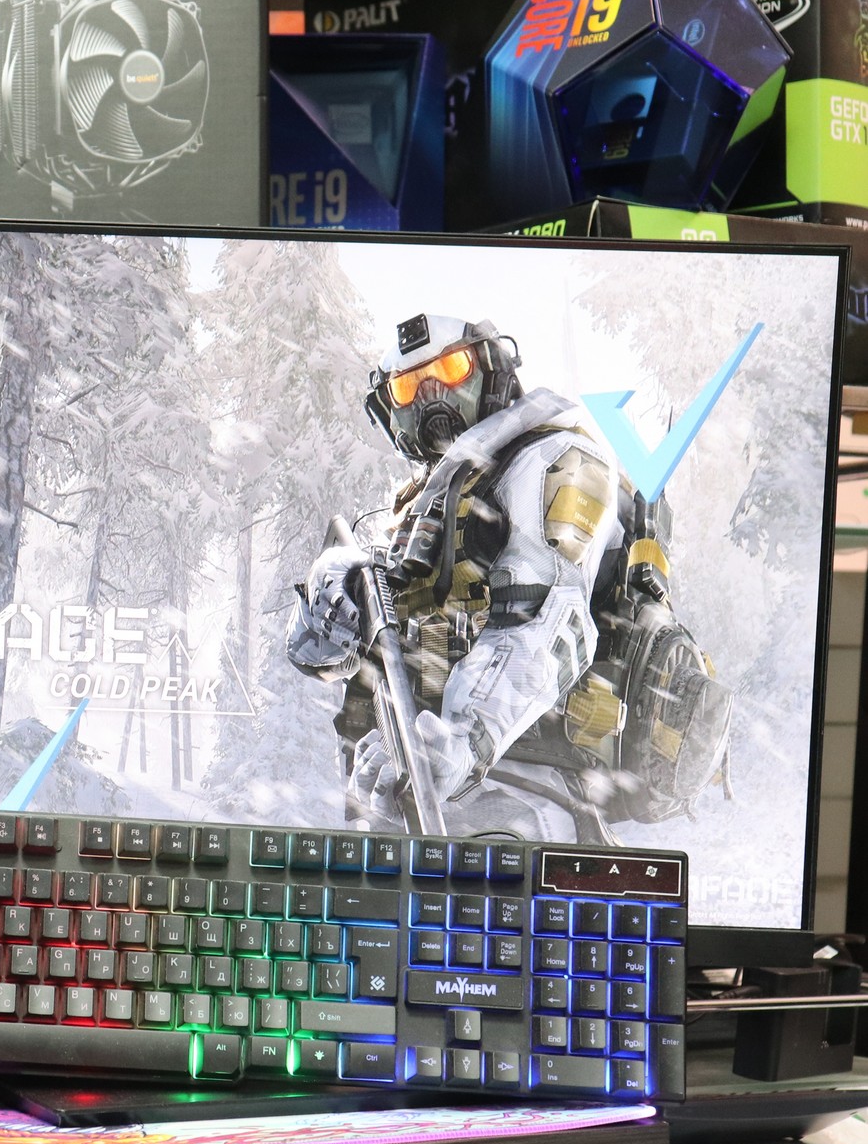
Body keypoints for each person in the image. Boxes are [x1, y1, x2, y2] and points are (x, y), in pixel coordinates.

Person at [285, 314, 731, 841]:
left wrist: (462, 737)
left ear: (491, 368)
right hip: (438, 788)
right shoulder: (432, 502)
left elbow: (549, 623)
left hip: (534, 785)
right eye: (409, 387)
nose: (431, 397)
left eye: (451, 369)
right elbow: (338, 657)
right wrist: (335, 597)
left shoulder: (552, 458)